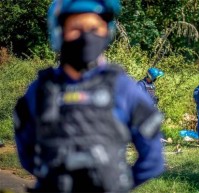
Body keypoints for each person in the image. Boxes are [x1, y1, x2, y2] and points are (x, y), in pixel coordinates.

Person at [12, 0, 164, 192]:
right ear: (60, 32)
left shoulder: (122, 88)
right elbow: (25, 151)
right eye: (76, 28)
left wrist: (119, 184)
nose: (86, 36)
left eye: (95, 28)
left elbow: (153, 158)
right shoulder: (41, 90)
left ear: (107, 32)